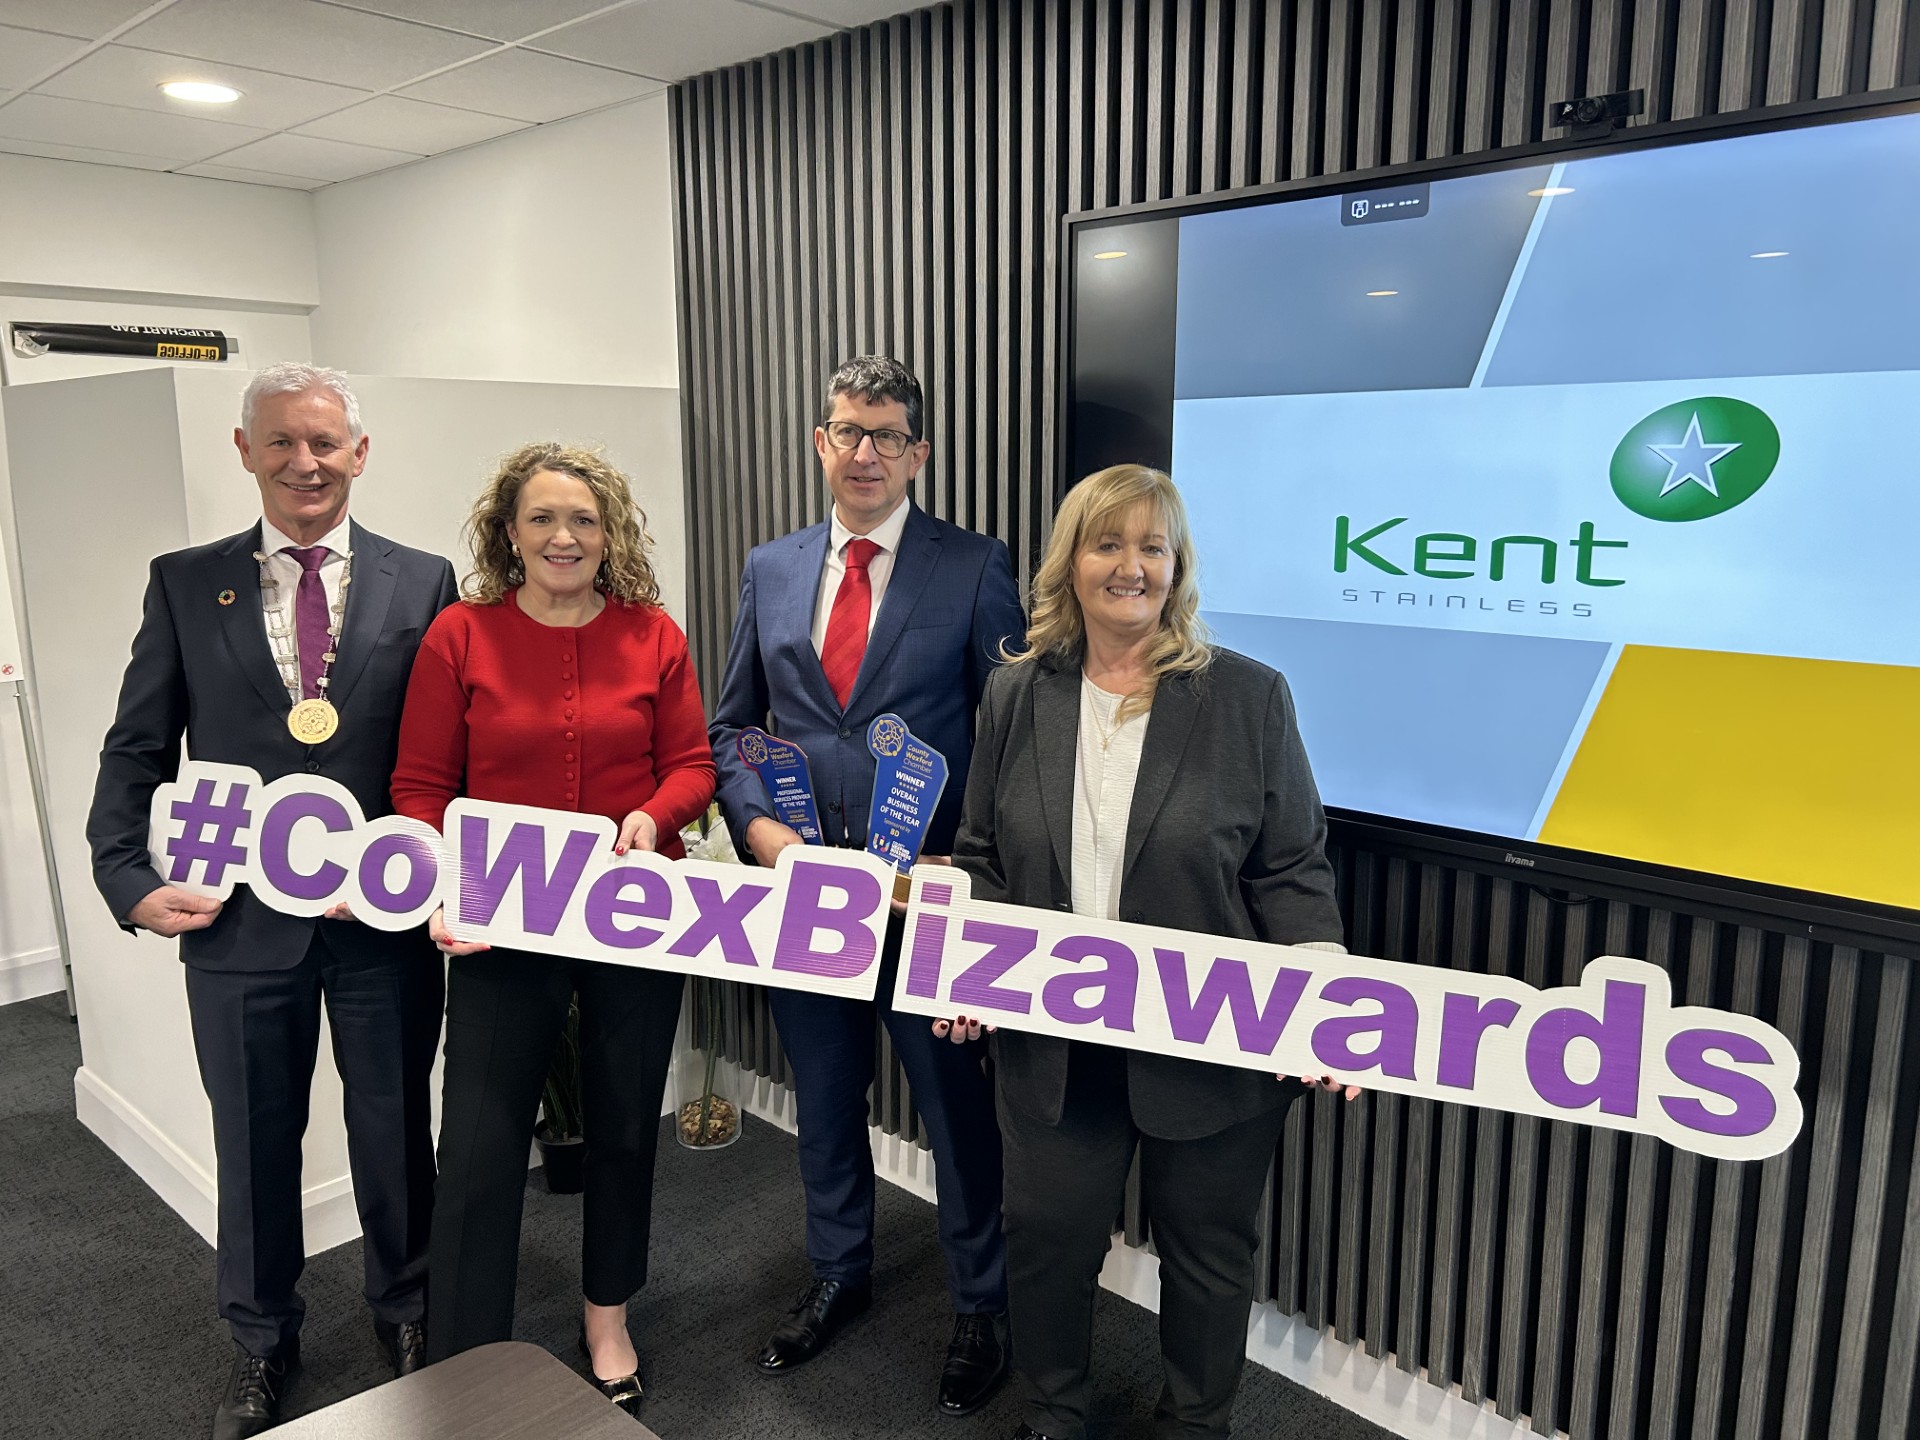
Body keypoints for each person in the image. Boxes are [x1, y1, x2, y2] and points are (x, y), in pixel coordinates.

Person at [944, 464, 1357, 1440]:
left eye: (1152, 546)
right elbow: (981, 857)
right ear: (1070, 561)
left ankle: (1194, 1425)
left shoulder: (1249, 698)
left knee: (1209, 1256)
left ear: (1177, 568)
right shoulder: (1013, 694)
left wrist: (1325, 992)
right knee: (1045, 1243)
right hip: (1053, 1046)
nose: (1130, 565)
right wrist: (968, 966)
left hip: (1212, 1048)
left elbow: (1290, 866)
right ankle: (1056, 1416)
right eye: (1107, 543)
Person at [86, 362, 455, 1439]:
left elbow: (449, 753)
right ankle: (261, 1341)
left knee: (395, 1129)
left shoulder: (421, 580)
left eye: (326, 442)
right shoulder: (186, 582)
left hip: (381, 923)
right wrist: (127, 880)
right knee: (253, 1141)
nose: (306, 463)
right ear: (244, 451)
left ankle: (408, 1312)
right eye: (282, 443)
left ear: (360, 453)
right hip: (238, 928)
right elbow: (137, 747)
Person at [708, 355, 1025, 1415]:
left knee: (954, 1110)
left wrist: (970, 863)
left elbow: (1014, 734)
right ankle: (837, 1273)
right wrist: (756, 829)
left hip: (925, 904)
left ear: (918, 453)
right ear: (820, 442)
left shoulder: (975, 566)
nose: (865, 452)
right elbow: (734, 724)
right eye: (847, 431)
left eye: (887, 435)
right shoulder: (771, 567)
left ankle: (983, 1303)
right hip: (803, 900)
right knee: (828, 1101)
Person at [389, 442, 714, 1416]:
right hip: (502, 916)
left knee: (622, 1128)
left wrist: (655, 817)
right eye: (542, 519)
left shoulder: (653, 634)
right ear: (510, 534)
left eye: (584, 518)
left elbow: (693, 766)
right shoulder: (461, 635)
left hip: (634, 913)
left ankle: (606, 1316)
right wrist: (437, 886)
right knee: (482, 1142)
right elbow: (418, 789)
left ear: (609, 532)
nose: (564, 536)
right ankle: (467, 1345)